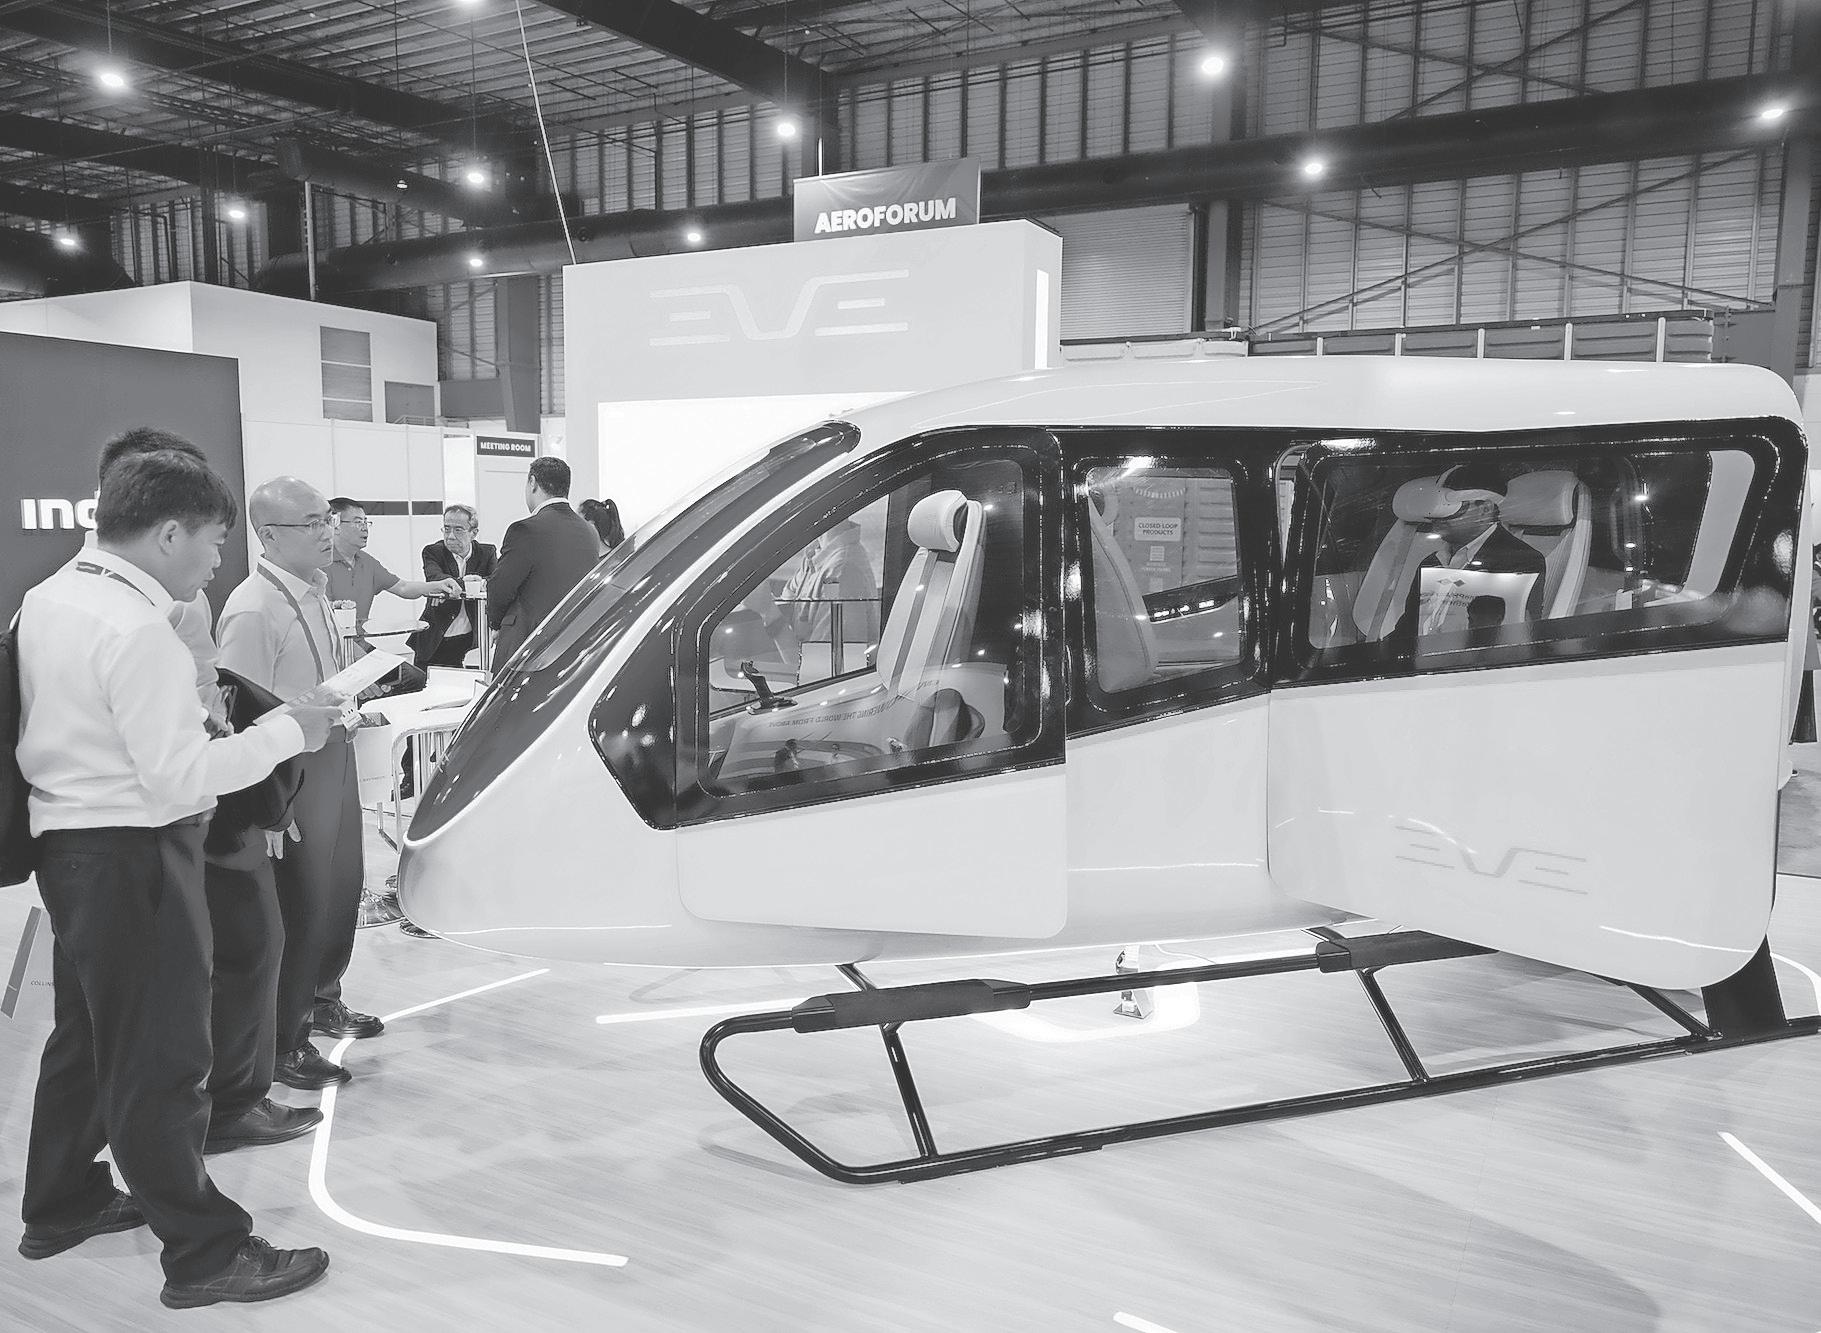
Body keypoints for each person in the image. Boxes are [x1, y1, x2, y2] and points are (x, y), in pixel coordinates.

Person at [15, 447, 340, 1308]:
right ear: (167, 533)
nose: (217, 560)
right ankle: (205, 1252)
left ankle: (61, 1200)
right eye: (214, 540)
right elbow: (180, 779)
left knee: (90, 1037)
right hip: (135, 855)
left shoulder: (51, 596)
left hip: (71, 849)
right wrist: (289, 733)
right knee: (162, 1059)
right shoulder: (137, 629)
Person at [90, 430, 320, 1154]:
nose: (219, 556)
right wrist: (278, 749)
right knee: (239, 949)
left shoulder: (77, 600)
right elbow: (188, 748)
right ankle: (219, 1119)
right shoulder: (146, 616)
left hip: (166, 813)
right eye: (213, 537)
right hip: (179, 813)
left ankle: (211, 1114)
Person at [217, 478, 385, 1093]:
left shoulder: (315, 589)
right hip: (290, 767)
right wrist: (266, 803)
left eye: (326, 520)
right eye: (311, 523)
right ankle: (285, 1040)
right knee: (301, 899)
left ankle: (320, 998)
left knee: (339, 886)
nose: (326, 532)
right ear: (268, 535)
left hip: (333, 750)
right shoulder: (252, 608)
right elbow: (243, 713)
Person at [1394, 462, 1546, 640]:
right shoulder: (1430, 562)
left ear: (1485, 509)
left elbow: (1510, 635)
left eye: (1451, 508)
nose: (1438, 517)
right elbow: (1408, 627)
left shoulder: (1520, 561)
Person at [487, 458, 602, 664]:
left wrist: (495, 624)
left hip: (527, 642)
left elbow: (500, 587)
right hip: (571, 642)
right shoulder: (589, 532)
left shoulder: (525, 529)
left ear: (532, 483)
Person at [324, 497, 461, 635]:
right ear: (335, 525)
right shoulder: (320, 565)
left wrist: (439, 585)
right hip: (332, 644)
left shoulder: (366, 562)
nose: (365, 528)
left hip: (359, 642)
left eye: (366, 522)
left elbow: (403, 587)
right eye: (358, 522)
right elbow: (323, 619)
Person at [409, 504, 497, 669]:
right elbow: (436, 578)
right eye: (446, 529)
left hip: (471, 640)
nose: (450, 536)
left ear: (473, 533)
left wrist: (459, 584)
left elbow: (495, 582)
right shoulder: (433, 552)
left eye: (458, 530)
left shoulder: (486, 552)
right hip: (435, 639)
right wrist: (470, 583)